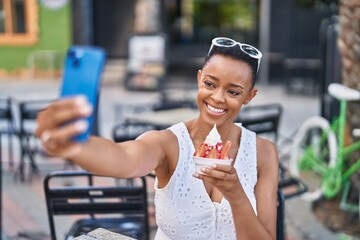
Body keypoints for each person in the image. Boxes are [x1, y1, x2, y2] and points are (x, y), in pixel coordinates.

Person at [35, 37, 279, 240]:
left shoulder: (264, 153)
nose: (217, 97)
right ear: (199, 79)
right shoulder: (169, 144)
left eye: (233, 91)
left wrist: (236, 195)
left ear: (249, 96)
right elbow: (124, 158)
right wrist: (75, 146)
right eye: (210, 84)